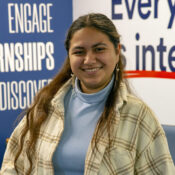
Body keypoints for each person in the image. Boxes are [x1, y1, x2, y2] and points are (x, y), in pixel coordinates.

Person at [1, 13, 174, 175]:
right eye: (79, 51)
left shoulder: (139, 116)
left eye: (99, 49)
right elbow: (12, 165)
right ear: (69, 56)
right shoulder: (46, 104)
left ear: (117, 51)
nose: (89, 60)